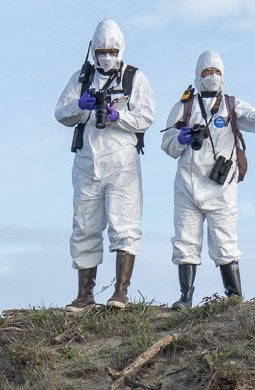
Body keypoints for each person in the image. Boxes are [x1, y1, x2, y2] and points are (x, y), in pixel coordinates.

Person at [160, 50, 255, 308]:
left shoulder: (232, 105)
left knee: (225, 242)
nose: (212, 76)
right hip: (188, 184)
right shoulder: (184, 106)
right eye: (207, 72)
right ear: (198, 76)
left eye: (217, 72)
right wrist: (180, 139)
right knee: (185, 240)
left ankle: (234, 300)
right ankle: (185, 298)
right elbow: (166, 144)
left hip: (221, 185)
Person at [54, 19, 154, 312]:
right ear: (93, 51)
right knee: (84, 225)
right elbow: (61, 112)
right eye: (101, 50)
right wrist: (81, 106)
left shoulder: (135, 78)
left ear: (120, 49)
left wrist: (118, 116)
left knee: (125, 224)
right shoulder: (81, 78)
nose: (106, 55)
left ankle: (120, 292)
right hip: (87, 160)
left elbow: (147, 116)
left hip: (122, 160)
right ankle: (84, 296)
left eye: (111, 50)